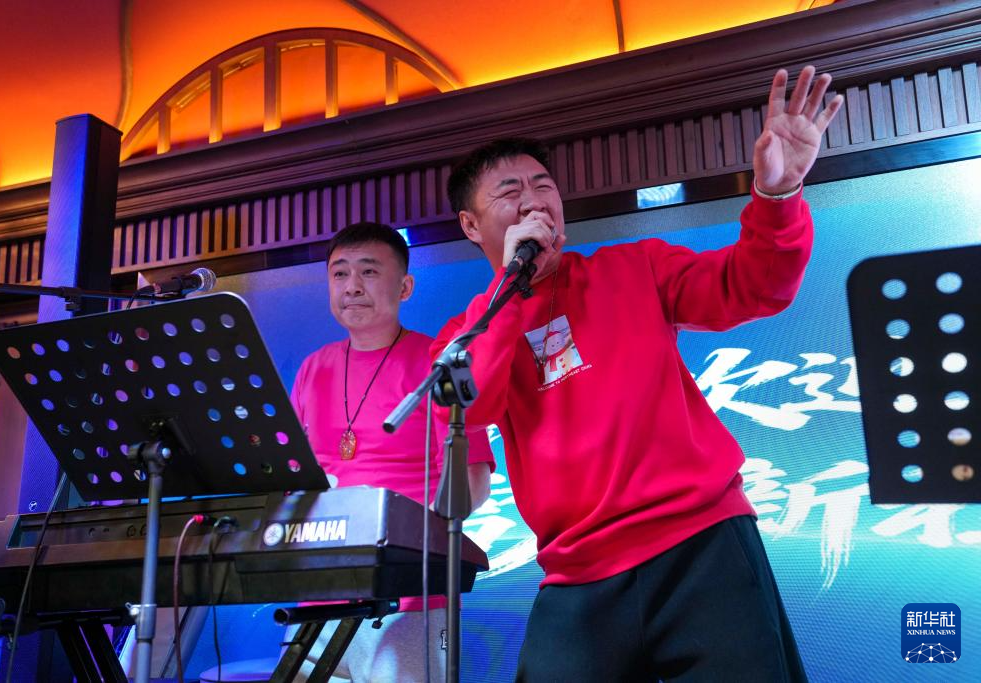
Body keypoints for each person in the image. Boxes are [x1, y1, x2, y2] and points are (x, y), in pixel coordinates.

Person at [432, 66, 844, 682]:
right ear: (471, 225)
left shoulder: (634, 268)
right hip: (578, 571)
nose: (535, 201)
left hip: (701, 541)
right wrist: (511, 291)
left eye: (544, 186)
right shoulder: (472, 328)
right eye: (510, 191)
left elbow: (752, 287)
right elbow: (469, 405)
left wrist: (778, 195)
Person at [289, 220, 494, 682]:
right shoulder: (312, 368)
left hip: (409, 595)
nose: (351, 286)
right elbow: (292, 479)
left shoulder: (439, 363)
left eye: (368, 271)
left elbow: (475, 484)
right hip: (317, 589)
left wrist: (404, 529)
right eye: (339, 274)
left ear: (405, 287)